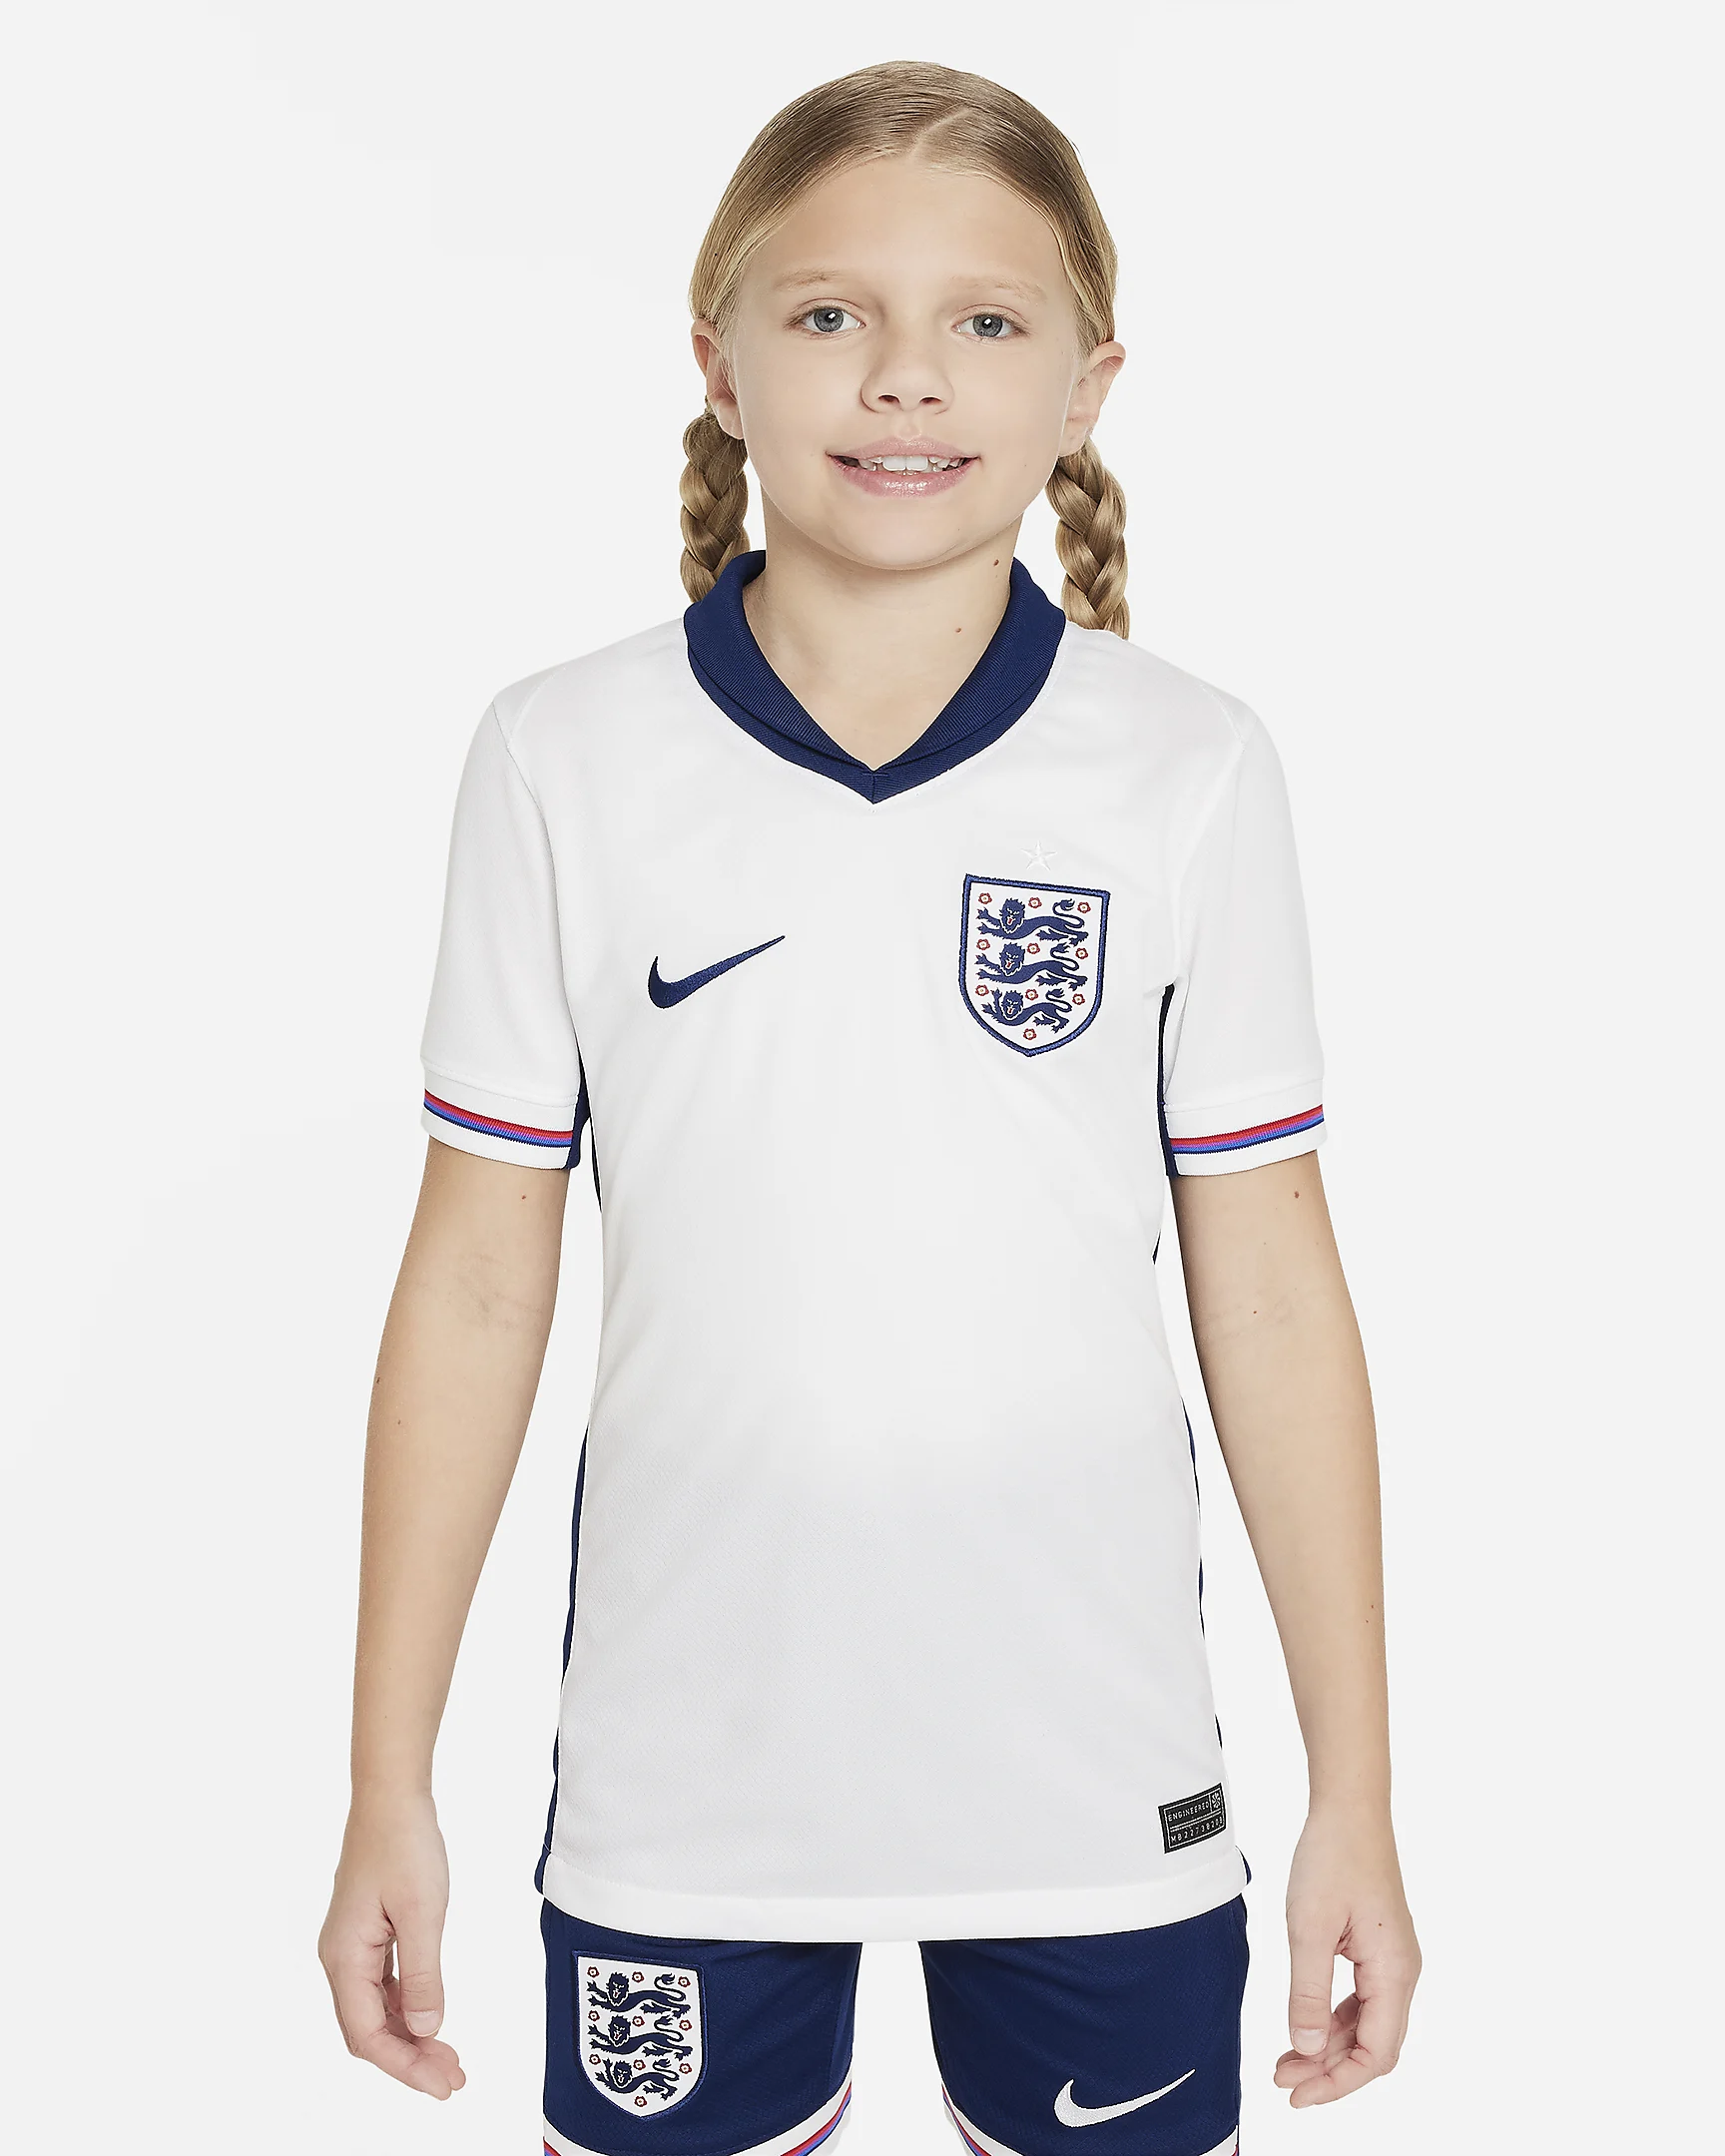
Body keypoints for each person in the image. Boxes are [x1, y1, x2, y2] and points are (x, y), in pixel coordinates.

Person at [318, 59, 1420, 2156]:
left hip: (1095, 1769)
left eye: (984, 320)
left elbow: (1275, 1296)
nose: (905, 375)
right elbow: (473, 1283)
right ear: (717, 362)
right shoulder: (564, 757)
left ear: (1089, 385)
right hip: (684, 1779)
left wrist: (1351, 1791)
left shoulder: (1187, 769)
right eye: (830, 311)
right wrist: (390, 1776)